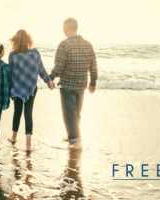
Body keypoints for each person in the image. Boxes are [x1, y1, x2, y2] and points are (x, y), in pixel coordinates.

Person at [49, 18, 98, 150]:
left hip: (68, 86)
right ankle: (73, 138)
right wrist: (93, 82)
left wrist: (50, 78)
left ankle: (77, 143)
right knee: (76, 114)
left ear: (67, 28)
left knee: (69, 114)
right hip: (81, 85)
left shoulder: (64, 45)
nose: (62, 30)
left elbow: (58, 66)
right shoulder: (88, 44)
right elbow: (93, 65)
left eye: (62, 27)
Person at [8, 29, 55, 151]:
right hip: (31, 88)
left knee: (17, 112)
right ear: (28, 40)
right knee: (28, 113)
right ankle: (28, 145)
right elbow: (41, 70)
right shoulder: (35, 53)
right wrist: (49, 81)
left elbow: (10, 74)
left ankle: (14, 138)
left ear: (15, 41)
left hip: (17, 88)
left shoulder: (13, 55)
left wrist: (8, 89)